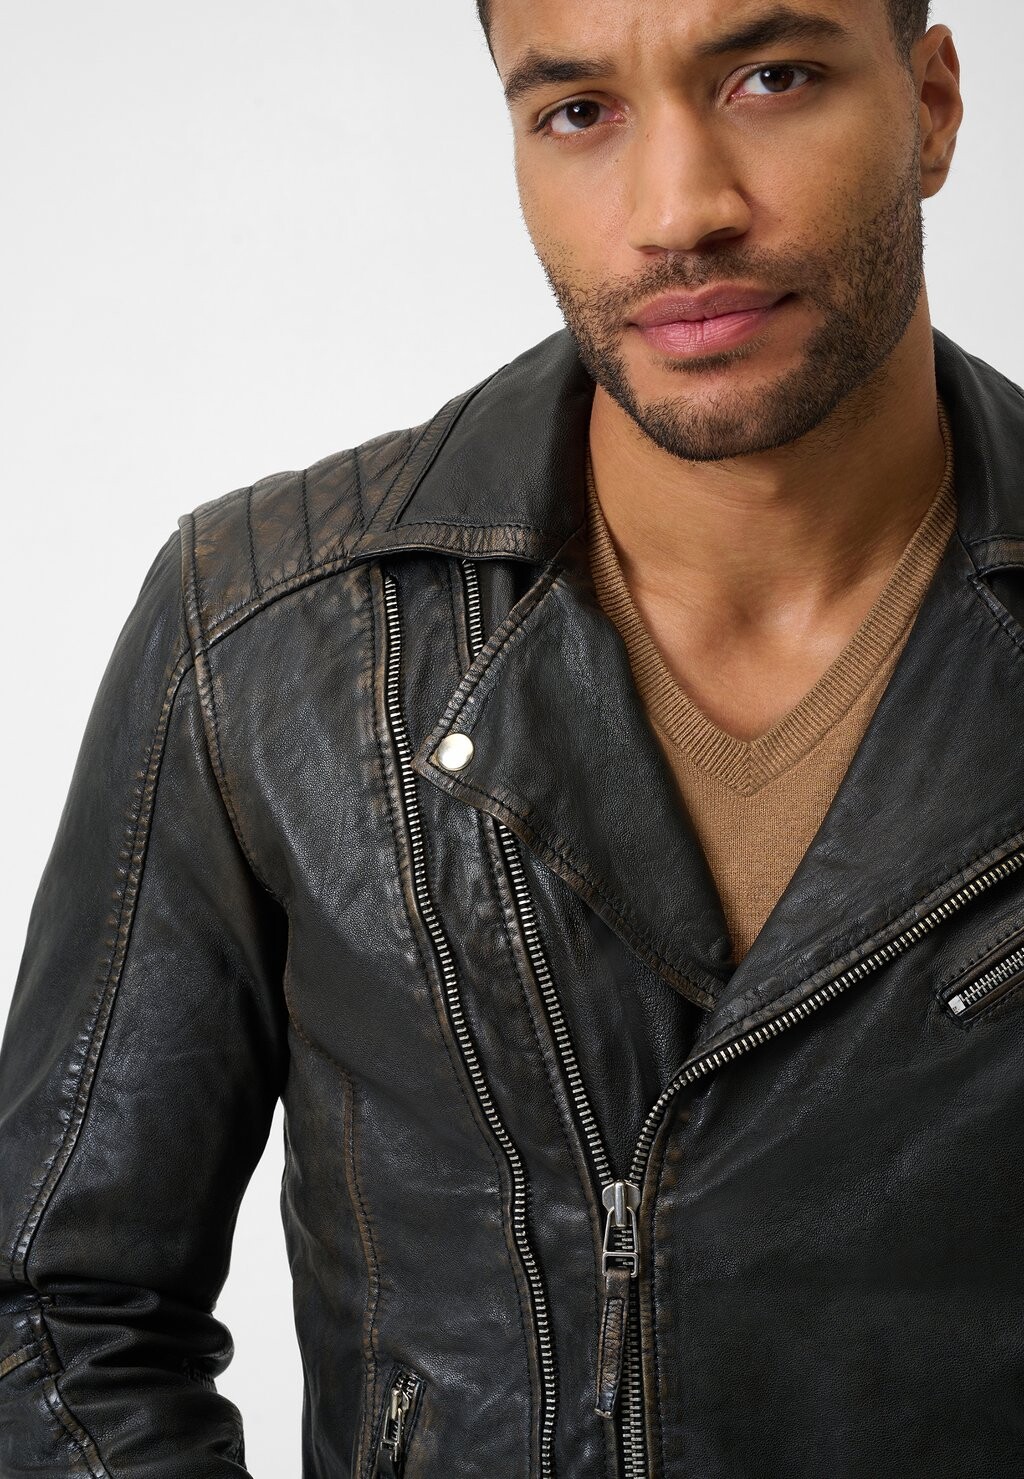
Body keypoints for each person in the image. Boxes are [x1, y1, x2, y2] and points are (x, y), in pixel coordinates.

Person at [4, 0, 1022, 1475]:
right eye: (578, 111)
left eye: (771, 77)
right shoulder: (269, 630)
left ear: (927, 107)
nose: (679, 210)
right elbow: (56, 1311)